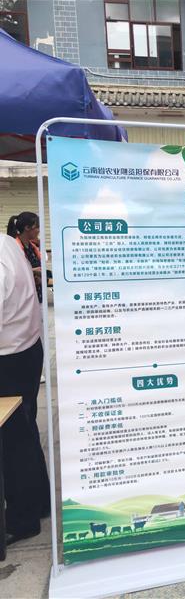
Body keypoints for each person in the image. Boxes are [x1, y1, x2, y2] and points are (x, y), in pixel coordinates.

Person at [0, 233, 50, 545]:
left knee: (12, 442)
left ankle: (22, 519)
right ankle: (39, 502)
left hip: (8, 358)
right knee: (24, 432)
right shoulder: (6, 243)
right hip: (26, 350)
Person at [7, 212, 42, 303]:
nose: (39, 230)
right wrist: (33, 271)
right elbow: (11, 272)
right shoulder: (13, 247)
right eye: (37, 227)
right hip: (22, 299)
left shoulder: (33, 247)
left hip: (37, 296)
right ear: (27, 228)